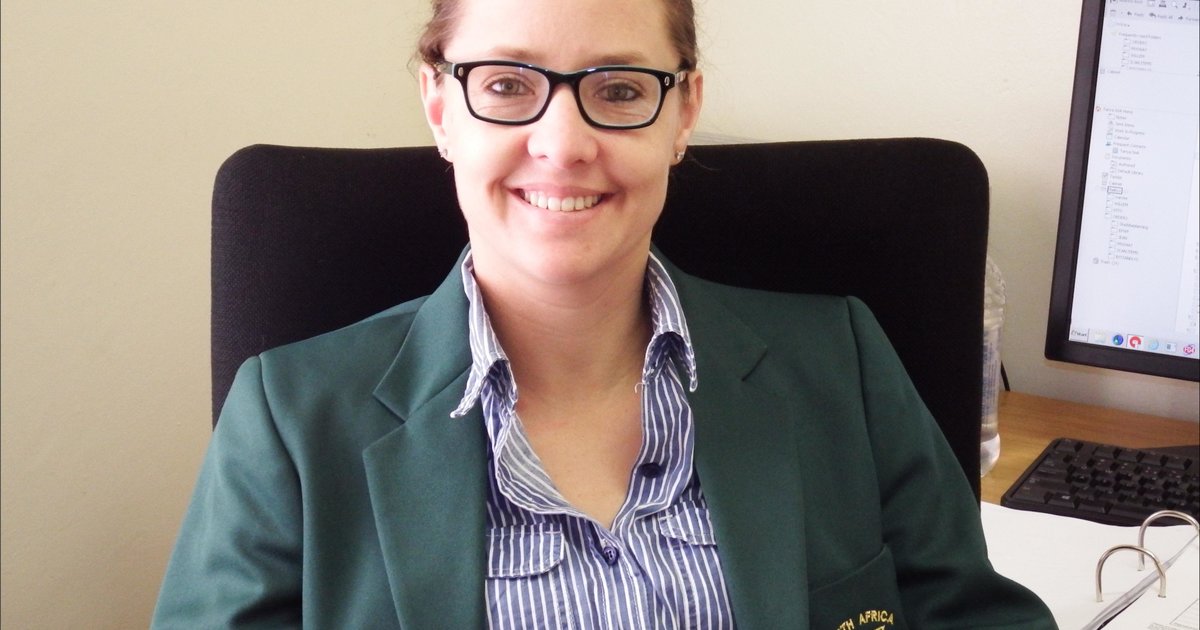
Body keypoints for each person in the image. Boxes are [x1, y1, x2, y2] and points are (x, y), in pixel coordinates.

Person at [153, 0, 1058, 627]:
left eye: (619, 89)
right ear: (440, 106)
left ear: (682, 111)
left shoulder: (840, 363)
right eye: (506, 85)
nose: (563, 144)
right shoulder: (289, 416)